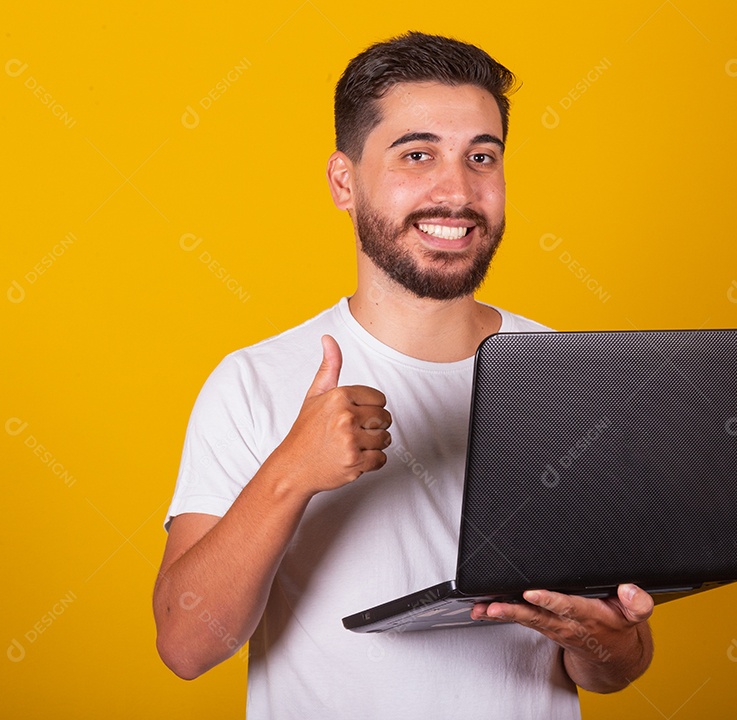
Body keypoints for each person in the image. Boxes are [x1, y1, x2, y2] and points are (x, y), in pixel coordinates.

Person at [153, 31, 653, 718]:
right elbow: (186, 645)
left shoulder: (568, 376)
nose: (457, 191)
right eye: (417, 155)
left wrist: (602, 641)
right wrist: (291, 472)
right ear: (343, 181)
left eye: (482, 157)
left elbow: (614, 667)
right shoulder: (253, 382)